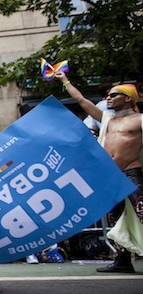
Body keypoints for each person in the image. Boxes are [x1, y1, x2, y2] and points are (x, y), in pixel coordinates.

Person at [55, 71, 141, 273]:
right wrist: (64, 80)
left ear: (128, 98)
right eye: (108, 95)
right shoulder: (107, 119)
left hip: (132, 174)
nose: (108, 99)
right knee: (115, 219)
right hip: (110, 176)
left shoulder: (139, 120)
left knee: (141, 215)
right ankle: (123, 260)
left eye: (113, 95)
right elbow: (80, 99)